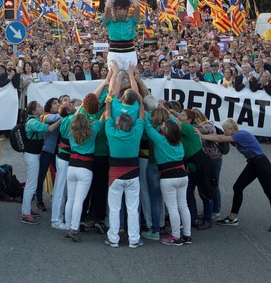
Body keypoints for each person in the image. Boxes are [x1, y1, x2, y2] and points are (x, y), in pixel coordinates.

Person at [198, 118, 271, 233]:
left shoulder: (242, 134)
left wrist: (201, 135)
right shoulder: (234, 135)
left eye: (225, 129)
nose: (224, 131)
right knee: (237, 187)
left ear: (232, 129)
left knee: (269, 192)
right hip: (252, 164)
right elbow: (219, 135)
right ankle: (232, 218)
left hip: (262, 164)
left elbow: (219, 138)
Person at [103, 69, 146, 248]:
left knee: (114, 208)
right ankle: (134, 239)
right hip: (133, 174)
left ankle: (113, 238)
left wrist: (116, 76)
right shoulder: (137, 132)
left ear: (118, 124)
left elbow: (107, 113)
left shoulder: (111, 132)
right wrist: (141, 101)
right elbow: (142, 114)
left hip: (115, 175)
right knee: (132, 208)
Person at [145, 106, 192, 245]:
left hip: (168, 177)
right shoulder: (179, 143)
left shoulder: (160, 141)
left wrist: (146, 110)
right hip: (183, 176)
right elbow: (173, 122)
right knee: (183, 205)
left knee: (172, 208)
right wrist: (167, 113)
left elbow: (148, 127)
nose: (162, 124)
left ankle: (176, 237)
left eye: (164, 124)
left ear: (166, 130)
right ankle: (187, 235)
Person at [62, 94, 104, 242]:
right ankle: (74, 228)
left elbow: (78, 115)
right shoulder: (92, 130)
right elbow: (104, 117)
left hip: (72, 166)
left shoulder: (71, 132)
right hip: (86, 167)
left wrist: (80, 108)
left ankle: (68, 226)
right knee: (79, 200)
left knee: (71, 200)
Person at [21, 100, 63, 224]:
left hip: (33, 154)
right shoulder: (33, 122)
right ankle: (25, 213)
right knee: (31, 185)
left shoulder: (34, 120)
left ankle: (26, 209)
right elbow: (49, 129)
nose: (41, 107)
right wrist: (62, 119)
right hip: (32, 155)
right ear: (33, 111)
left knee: (31, 183)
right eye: (38, 106)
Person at [103, 0, 141, 73]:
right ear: (115, 9)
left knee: (131, 76)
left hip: (130, 52)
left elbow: (137, 6)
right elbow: (107, 7)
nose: (122, 11)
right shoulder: (109, 21)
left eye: (125, 9)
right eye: (120, 8)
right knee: (114, 77)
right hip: (114, 53)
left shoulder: (131, 20)